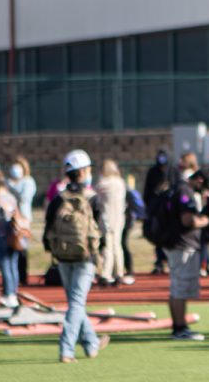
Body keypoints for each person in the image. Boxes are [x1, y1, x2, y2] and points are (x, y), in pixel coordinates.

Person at [43, 150, 109, 363]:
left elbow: (48, 228)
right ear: (83, 172)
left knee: (75, 301)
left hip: (63, 256)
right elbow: (102, 230)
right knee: (77, 303)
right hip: (85, 257)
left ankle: (91, 344)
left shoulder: (58, 198)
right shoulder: (92, 198)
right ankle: (66, 349)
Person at [165, 169, 209, 341]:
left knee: (177, 287)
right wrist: (205, 220)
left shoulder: (175, 188)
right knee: (180, 288)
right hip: (182, 244)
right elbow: (188, 220)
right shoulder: (185, 191)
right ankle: (180, 327)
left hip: (175, 243)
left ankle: (179, 325)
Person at [143, 149, 178, 274]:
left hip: (170, 211)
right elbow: (147, 192)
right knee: (157, 235)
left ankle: (169, 260)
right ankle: (159, 261)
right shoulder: (153, 172)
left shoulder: (173, 171)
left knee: (170, 235)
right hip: (157, 211)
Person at [0, 170, 21, 307]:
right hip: (13, 236)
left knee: (4, 267)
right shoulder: (11, 197)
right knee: (13, 266)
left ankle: (8, 294)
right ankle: (13, 293)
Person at [96, 160, 127, 287]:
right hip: (119, 217)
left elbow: (97, 201)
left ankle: (106, 274)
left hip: (106, 217)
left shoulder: (103, 184)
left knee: (107, 246)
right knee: (117, 246)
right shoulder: (120, 182)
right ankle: (119, 272)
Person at [8, 155, 36, 286]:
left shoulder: (28, 182)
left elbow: (24, 198)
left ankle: (23, 276)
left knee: (22, 248)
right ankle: (14, 277)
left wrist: (13, 187)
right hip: (11, 218)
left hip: (23, 219)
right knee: (12, 247)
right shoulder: (9, 183)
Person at [122, 175, 144, 286]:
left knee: (123, 244)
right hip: (123, 221)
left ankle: (129, 270)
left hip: (125, 222)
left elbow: (137, 207)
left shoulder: (128, 192)